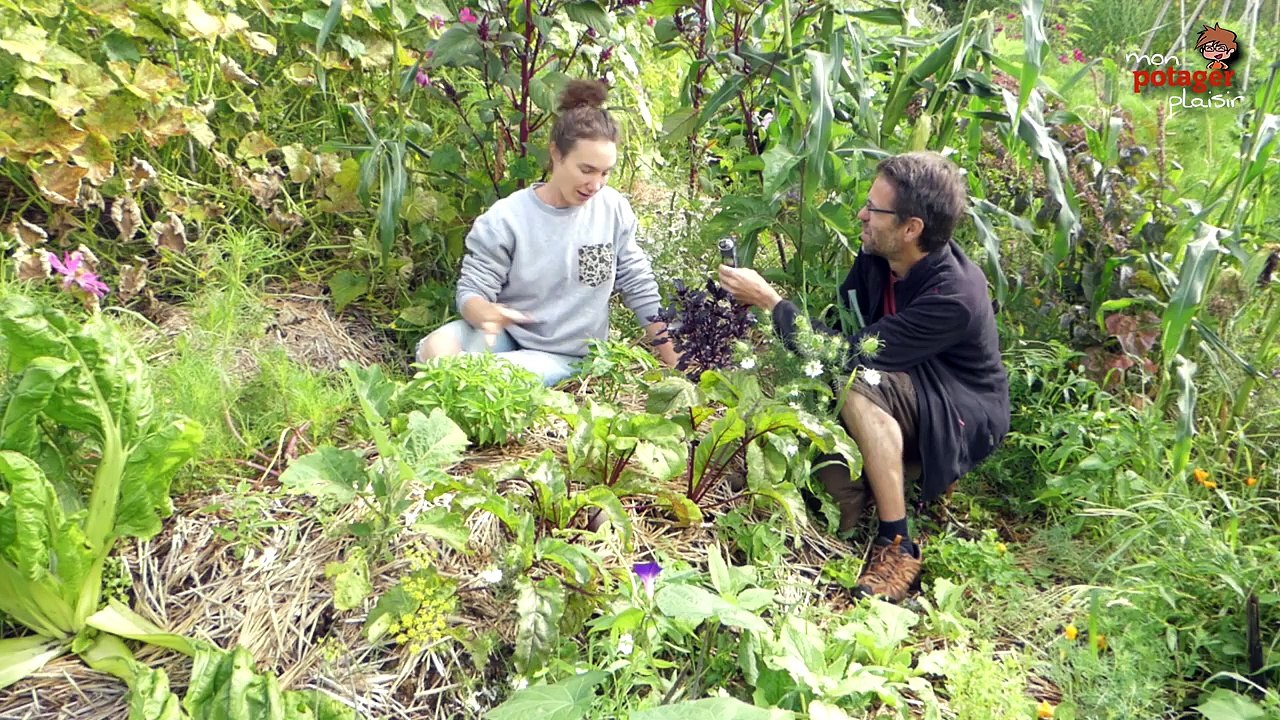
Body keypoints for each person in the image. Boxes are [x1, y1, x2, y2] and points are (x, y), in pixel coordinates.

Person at [718, 151, 1010, 603]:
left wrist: (771, 303)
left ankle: (898, 541)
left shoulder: (954, 296)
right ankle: (889, 481)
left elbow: (845, 355)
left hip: (956, 409)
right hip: (901, 383)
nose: (862, 215)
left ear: (911, 228)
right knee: (832, 490)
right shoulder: (879, 254)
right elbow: (839, 327)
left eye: (874, 209)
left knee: (857, 382)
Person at [415, 79, 678, 384]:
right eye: (586, 170)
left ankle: (463, 382)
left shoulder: (613, 210)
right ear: (556, 154)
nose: (596, 185)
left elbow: (640, 287)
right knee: (435, 349)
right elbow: (471, 292)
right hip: (507, 337)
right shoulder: (506, 218)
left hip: (568, 356)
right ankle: (459, 381)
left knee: (488, 375)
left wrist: (677, 361)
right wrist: (485, 314)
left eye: (605, 173)